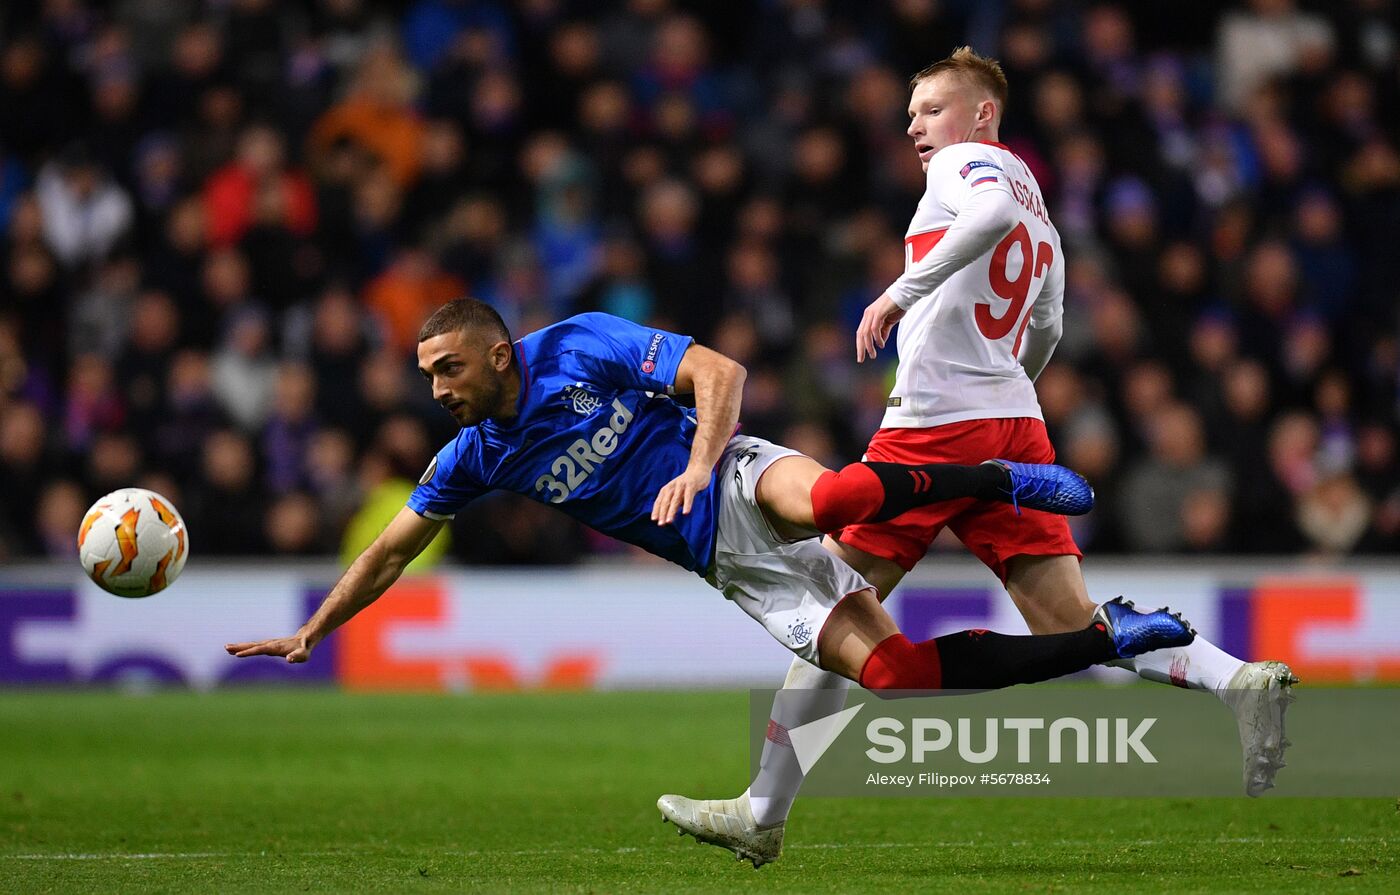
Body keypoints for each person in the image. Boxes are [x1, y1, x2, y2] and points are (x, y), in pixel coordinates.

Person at [659, 47, 1297, 868]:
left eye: (930, 108)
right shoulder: (1047, 214)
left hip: (930, 427)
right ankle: (1235, 679)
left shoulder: (972, 168)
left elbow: (988, 220)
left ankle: (762, 810)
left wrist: (897, 293)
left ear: (982, 113)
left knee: (830, 605)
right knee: (1069, 627)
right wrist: (1002, 391)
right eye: (913, 113)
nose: (915, 125)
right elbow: (1050, 324)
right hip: (1011, 425)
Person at [226, 301, 1193, 826]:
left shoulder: (575, 344)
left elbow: (717, 372)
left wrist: (696, 464)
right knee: (894, 678)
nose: (436, 389)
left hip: (729, 470)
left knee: (831, 497)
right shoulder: (475, 457)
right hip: (734, 566)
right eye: (428, 375)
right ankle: (1097, 639)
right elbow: (395, 546)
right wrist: (316, 628)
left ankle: (1008, 477)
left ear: (499, 356)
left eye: (448, 370)